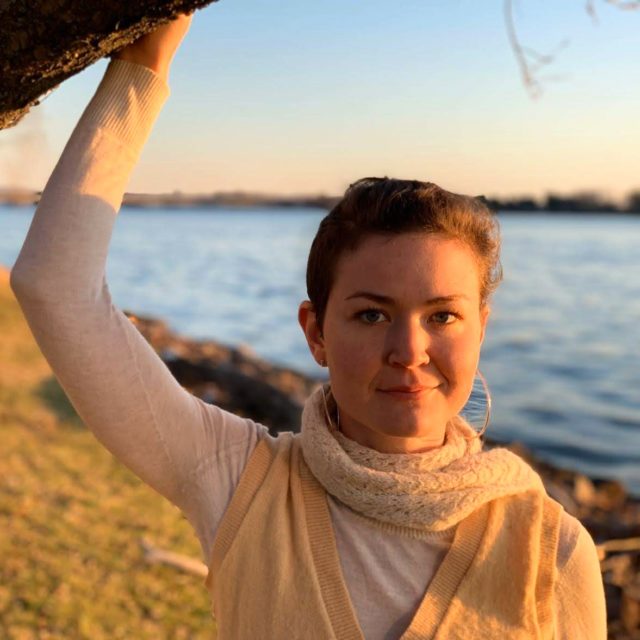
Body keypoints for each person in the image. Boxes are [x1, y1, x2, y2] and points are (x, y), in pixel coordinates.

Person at [10, 11, 607, 640]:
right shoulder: (238, 483)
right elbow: (55, 287)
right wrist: (142, 70)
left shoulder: (552, 551)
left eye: (442, 316)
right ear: (316, 332)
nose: (409, 350)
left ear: (480, 327)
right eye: (371, 314)